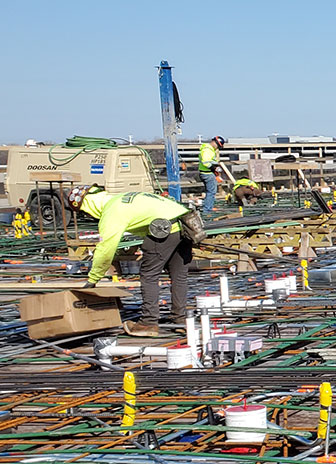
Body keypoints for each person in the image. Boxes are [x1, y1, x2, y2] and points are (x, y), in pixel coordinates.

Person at [69, 185, 203, 337]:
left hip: (163, 230)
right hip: (186, 225)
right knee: (179, 276)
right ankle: (181, 320)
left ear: (87, 206)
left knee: (149, 276)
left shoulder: (112, 211)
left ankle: (148, 323)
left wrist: (93, 278)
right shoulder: (121, 198)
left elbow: (106, 248)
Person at [196, 136, 228, 215]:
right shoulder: (207, 150)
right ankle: (207, 211)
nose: (218, 148)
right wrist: (214, 168)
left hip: (206, 172)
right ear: (215, 143)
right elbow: (206, 162)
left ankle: (208, 208)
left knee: (210, 192)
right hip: (207, 173)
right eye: (218, 146)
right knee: (211, 192)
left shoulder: (209, 149)